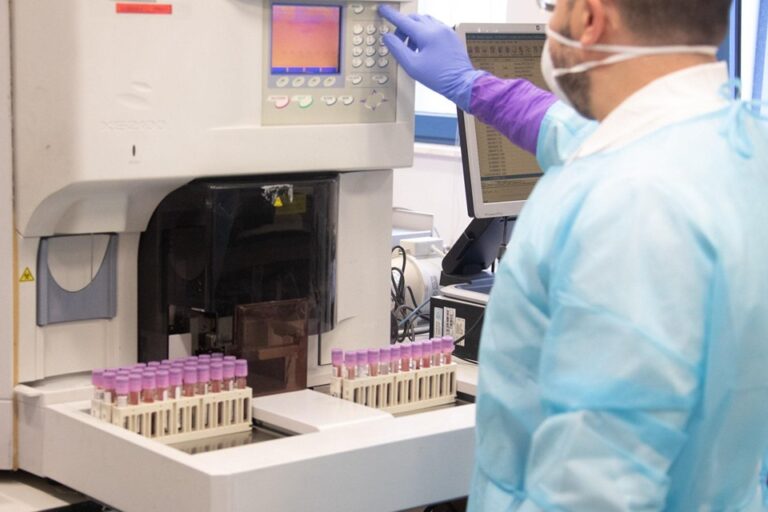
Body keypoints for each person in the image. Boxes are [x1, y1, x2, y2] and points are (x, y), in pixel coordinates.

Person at [380, 0, 768, 510]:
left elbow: (595, 485)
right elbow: (570, 131)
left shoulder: (631, 202)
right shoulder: (740, 142)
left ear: (589, 18)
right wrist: (471, 85)